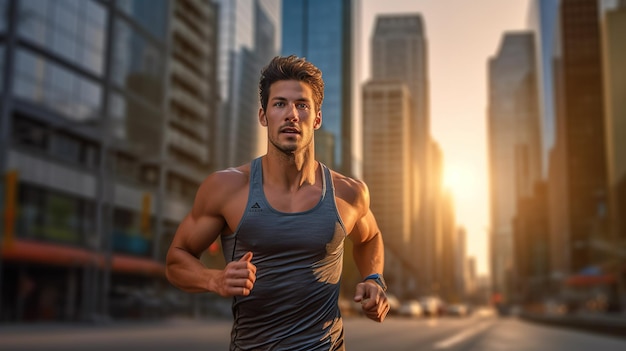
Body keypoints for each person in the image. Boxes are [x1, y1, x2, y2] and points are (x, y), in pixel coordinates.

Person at [165, 55, 389, 350]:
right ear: (263, 116)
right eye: (280, 103)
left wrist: (374, 278)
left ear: (317, 118)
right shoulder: (227, 188)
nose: (291, 115)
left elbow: (370, 236)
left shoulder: (349, 193)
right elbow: (176, 259)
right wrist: (215, 280)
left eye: (302, 105)